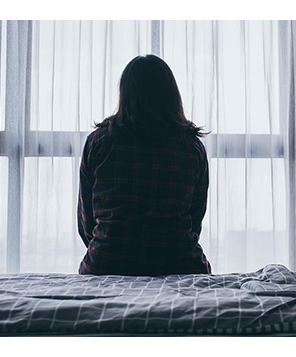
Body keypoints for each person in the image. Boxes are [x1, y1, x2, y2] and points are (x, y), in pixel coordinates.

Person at [77, 54, 212, 276]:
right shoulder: (191, 146)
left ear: (125, 93)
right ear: (172, 94)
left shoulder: (98, 142)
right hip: (181, 264)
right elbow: (195, 217)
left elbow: (86, 220)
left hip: (106, 262)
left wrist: (111, 245)